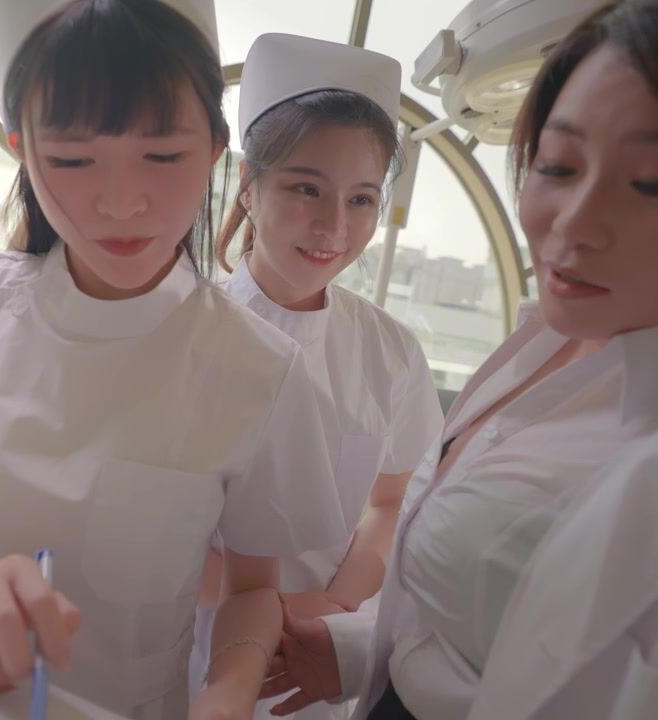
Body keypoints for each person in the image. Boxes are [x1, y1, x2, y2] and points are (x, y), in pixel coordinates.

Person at [259, 1, 658, 718]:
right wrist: (362, 648)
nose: (573, 222)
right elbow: (498, 606)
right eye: (557, 165)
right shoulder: (548, 342)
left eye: (657, 183)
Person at [0, 2, 350, 718]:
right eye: (71, 159)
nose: (120, 203)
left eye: (162, 156)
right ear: (22, 150)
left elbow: (251, 589)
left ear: (216, 151)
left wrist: (228, 691)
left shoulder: (258, 369)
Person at [188, 34, 444, 720]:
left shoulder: (391, 351)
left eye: (362, 199)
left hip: (316, 657)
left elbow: (392, 501)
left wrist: (329, 606)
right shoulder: (184, 332)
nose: (334, 225)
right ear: (249, 184)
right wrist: (258, 609)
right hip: (181, 641)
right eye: (307, 188)